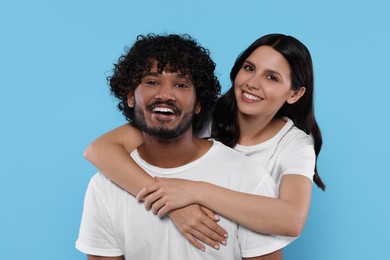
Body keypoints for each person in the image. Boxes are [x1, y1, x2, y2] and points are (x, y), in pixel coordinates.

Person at [83, 33, 326, 252]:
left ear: (294, 94)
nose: (253, 82)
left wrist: (194, 191)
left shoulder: (295, 145)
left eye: (271, 77)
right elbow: (100, 149)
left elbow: (291, 220)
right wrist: (171, 204)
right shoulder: (200, 111)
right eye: (249, 68)